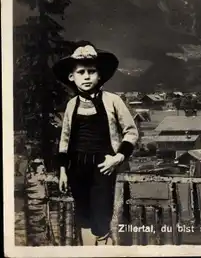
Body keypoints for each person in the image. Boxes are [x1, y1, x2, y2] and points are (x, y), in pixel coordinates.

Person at [52, 42, 138, 246]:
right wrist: (63, 170)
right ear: (72, 77)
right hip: (76, 168)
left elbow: (131, 132)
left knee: (101, 217)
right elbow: (65, 140)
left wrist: (117, 158)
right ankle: (88, 250)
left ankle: (103, 249)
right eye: (81, 72)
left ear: (100, 75)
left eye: (92, 71)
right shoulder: (72, 105)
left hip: (103, 166)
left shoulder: (113, 101)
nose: (87, 76)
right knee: (83, 215)